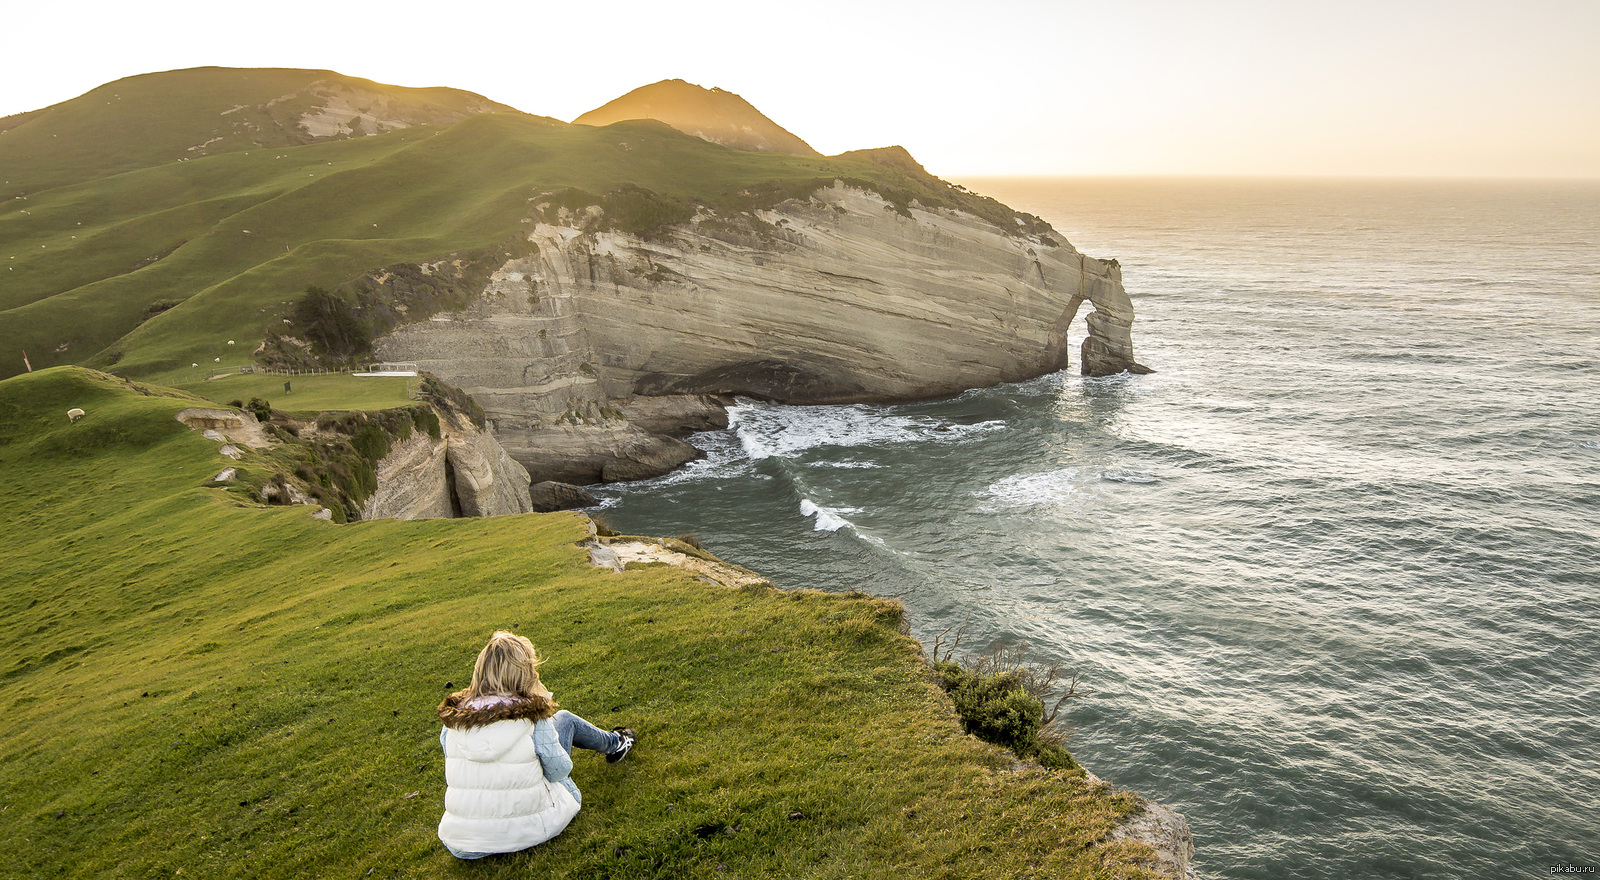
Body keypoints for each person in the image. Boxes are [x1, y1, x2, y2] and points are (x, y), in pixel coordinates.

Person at [435, 631, 637, 859]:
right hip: (531, 831)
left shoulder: (452, 723)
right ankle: (616, 743)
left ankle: (614, 743)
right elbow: (560, 771)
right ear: (523, 673)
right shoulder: (532, 718)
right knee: (565, 720)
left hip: (462, 843)